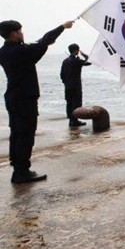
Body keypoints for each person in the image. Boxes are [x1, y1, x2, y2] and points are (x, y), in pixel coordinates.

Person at [0, 20, 74, 184]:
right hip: (24, 99)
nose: (22, 33)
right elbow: (43, 41)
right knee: (26, 135)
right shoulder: (20, 52)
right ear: (13, 34)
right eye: (20, 31)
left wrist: (45, 43)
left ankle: (18, 168)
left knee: (17, 134)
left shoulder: (4, 51)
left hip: (13, 97)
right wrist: (62, 27)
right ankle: (22, 172)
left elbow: (39, 44)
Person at [60, 43, 92, 127]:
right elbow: (89, 62)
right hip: (76, 86)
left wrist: (65, 82)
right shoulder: (76, 61)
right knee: (76, 103)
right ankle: (74, 120)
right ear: (76, 50)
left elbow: (62, 74)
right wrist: (84, 54)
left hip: (67, 85)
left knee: (69, 103)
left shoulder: (65, 61)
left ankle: (71, 120)